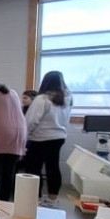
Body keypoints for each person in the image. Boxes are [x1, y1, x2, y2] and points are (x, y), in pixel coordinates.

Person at [22, 72, 73, 206]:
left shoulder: (42, 99)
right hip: (59, 137)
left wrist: (24, 137)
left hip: (40, 138)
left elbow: (31, 121)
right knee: (53, 167)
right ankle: (53, 198)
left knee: (33, 168)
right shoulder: (67, 98)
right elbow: (67, 119)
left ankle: (35, 198)